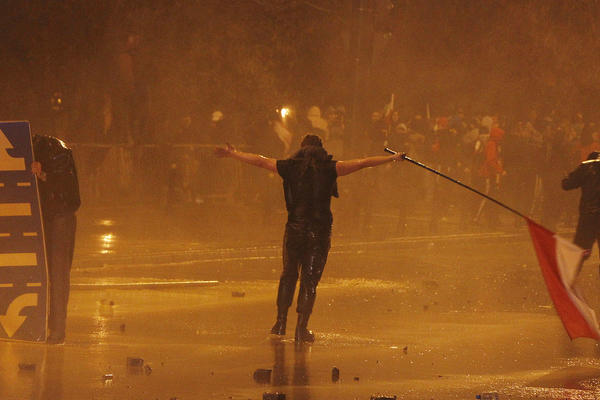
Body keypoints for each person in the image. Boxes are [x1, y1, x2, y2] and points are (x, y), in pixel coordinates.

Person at [215, 134, 404, 343]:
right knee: (309, 280)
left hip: (295, 228)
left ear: (301, 148)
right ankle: (301, 328)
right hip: (319, 231)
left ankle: (280, 323)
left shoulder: (289, 167)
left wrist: (234, 154)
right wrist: (392, 158)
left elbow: (260, 160)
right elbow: (363, 163)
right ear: (322, 149)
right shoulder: (331, 167)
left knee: (288, 274)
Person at [31, 134, 81, 344]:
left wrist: (43, 175)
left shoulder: (54, 150)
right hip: (48, 216)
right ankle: (51, 326)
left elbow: (63, 186)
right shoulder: (50, 149)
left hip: (59, 217)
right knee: (51, 273)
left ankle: (57, 328)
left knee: (58, 274)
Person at [561, 151, 600, 272]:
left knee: (580, 250)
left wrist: (566, 176)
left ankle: (568, 279)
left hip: (588, 215)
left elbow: (567, 184)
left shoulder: (586, 166)